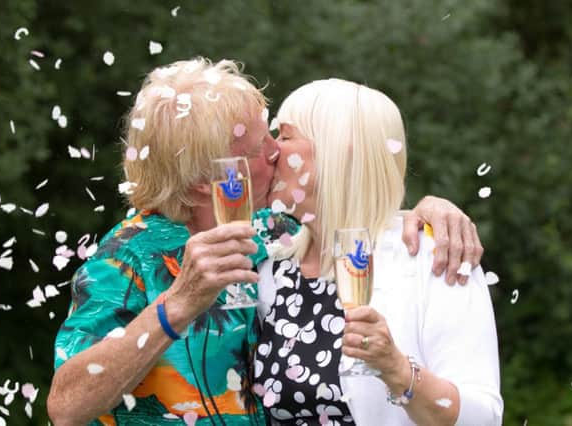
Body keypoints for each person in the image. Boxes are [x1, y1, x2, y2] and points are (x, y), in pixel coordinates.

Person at [47, 58, 485, 426]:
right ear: (205, 182)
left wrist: (430, 211)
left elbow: (349, 213)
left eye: (275, 134)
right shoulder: (123, 259)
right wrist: (178, 304)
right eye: (259, 146)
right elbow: (65, 408)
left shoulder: (271, 234)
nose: (277, 150)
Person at [253, 79, 502, 425]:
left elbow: (484, 418)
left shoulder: (433, 255)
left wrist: (397, 369)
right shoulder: (273, 263)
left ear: (338, 149)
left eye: (285, 135)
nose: (272, 151)